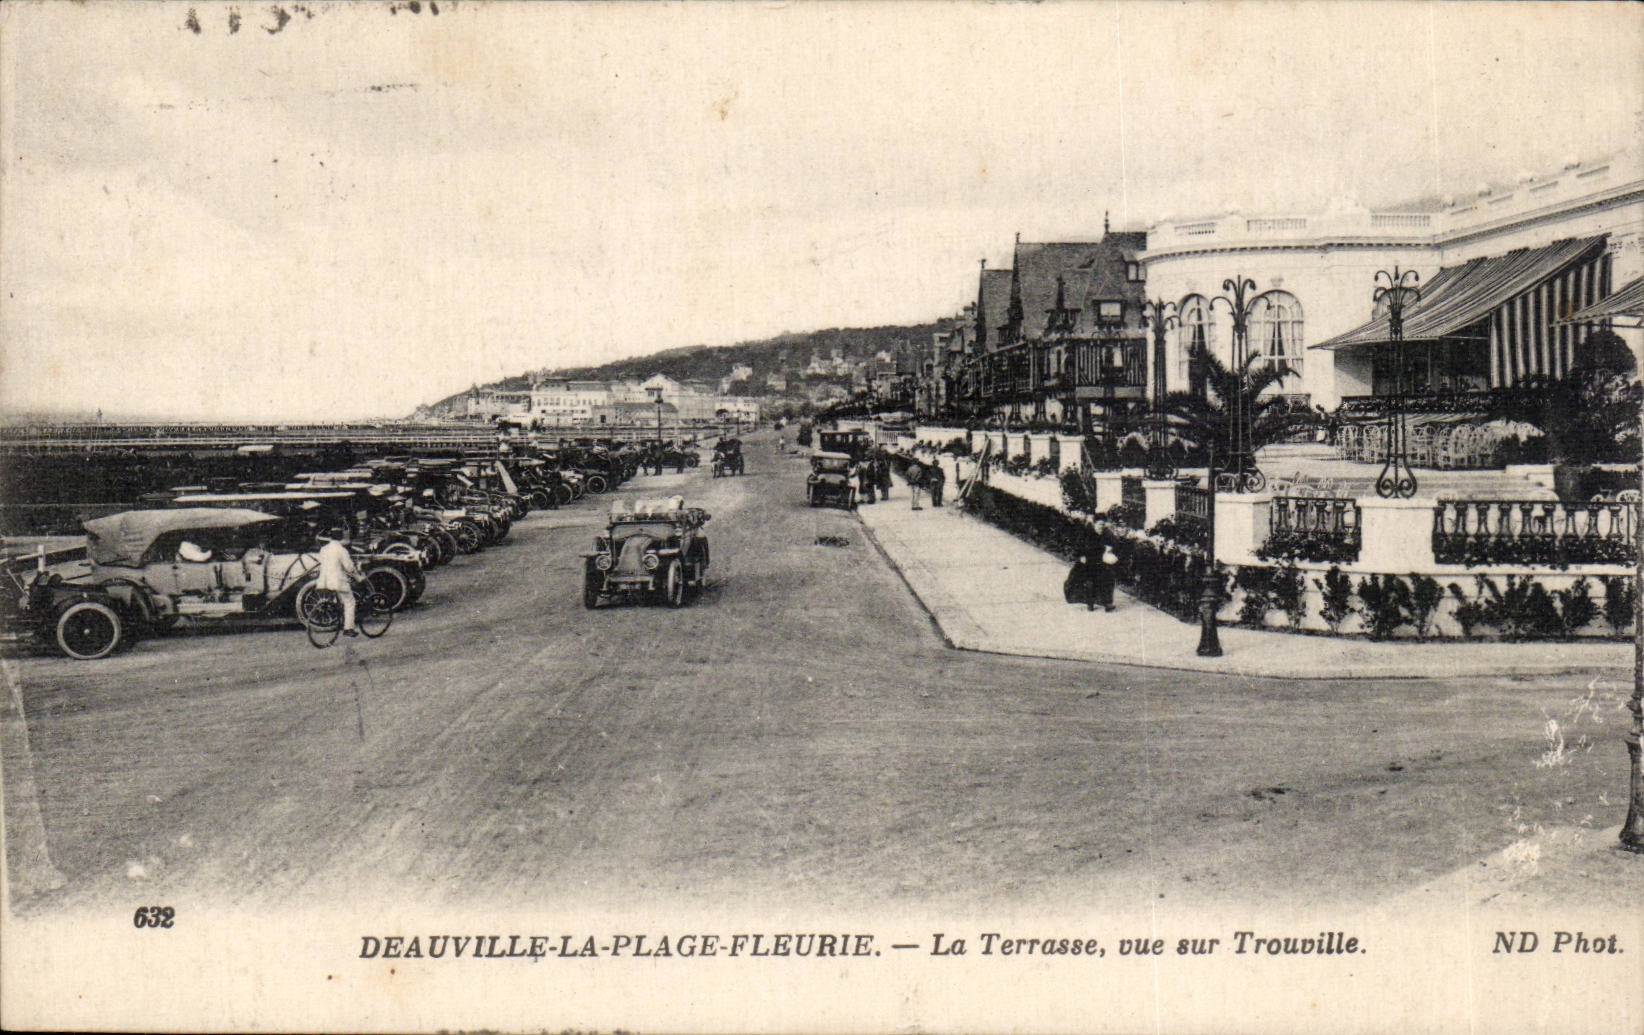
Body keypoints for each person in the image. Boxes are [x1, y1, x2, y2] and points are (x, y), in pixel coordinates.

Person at [316, 527, 360, 635]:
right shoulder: (341, 550)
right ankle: (348, 628)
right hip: (337, 581)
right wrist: (356, 570)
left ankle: (337, 615)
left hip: (324, 581)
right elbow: (349, 567)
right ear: (340, 537)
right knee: (350, 602)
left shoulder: (324, 549)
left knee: (338, 598)